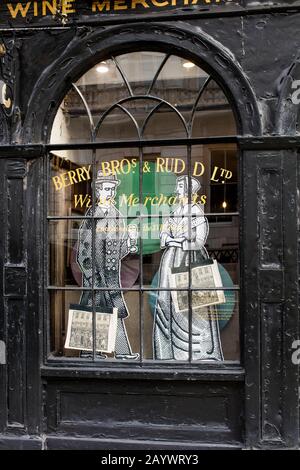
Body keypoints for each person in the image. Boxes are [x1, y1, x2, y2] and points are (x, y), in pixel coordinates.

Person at [153, 175, 224, 361]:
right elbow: (163, 238)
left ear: (188, 191)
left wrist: (176, 242)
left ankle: (197, 354)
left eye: (179, 187)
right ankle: (168, 353)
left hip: (191, 261)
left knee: (193, 305)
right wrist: (178, 240)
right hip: (170, 261)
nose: (176, 191)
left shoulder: (197, 212)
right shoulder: (174, 211)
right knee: (166, 301)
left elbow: (199, 241)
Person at [77, 170, 139, 360]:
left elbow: (119, 251)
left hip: (111, 275)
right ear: (98, 192)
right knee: (92, 312)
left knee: (115, 312)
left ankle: (121, 352)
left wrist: (129, 242)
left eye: (112, 189)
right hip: (94, 275)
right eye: (106, 189)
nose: (110, 194)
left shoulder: (117, 216)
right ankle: (89, 352)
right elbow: (83, 250)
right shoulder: (92, 215)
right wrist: (89, 273)